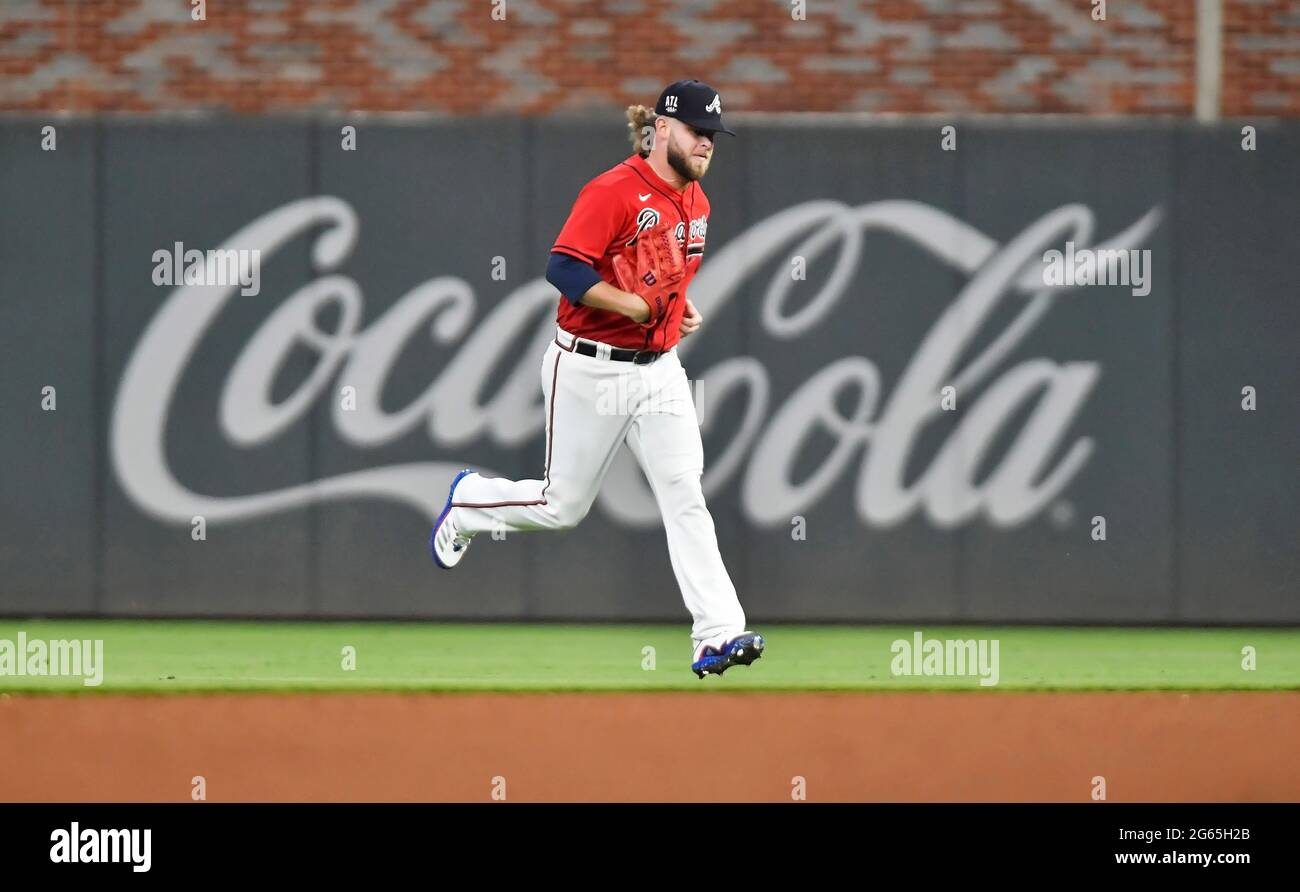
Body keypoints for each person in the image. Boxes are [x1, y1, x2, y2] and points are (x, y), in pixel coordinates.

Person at [430, 80, 764, 679]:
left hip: (659, 371)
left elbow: (661, 280)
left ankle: (716, 633)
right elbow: (563, 268)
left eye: (713, 136)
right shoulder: (612, 191)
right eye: (697, 131)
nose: (706, 144)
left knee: (684, 492)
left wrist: (677, 309)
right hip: (589, 364)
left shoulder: (697, 203)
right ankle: (470, 501)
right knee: (562, 507)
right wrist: (632, 306)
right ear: (663, 129)